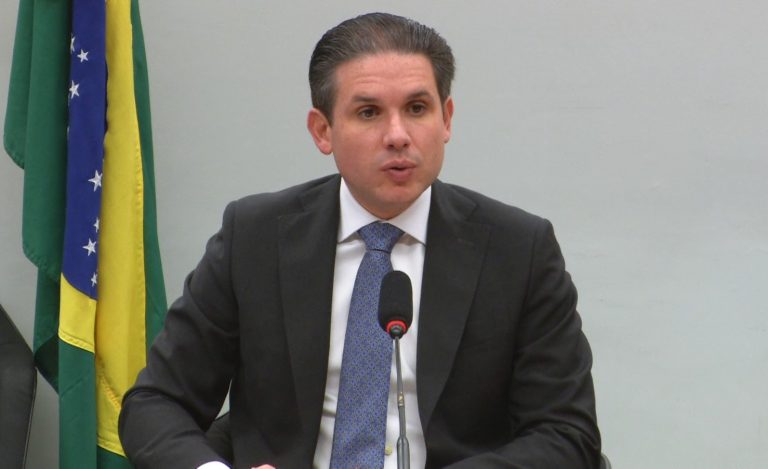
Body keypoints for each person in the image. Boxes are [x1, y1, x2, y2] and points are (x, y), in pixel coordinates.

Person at [119, 12, 601, 469]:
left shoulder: (518, 250)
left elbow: (566, 433)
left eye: (417, 108)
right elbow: (156, 402)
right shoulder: (255, 238)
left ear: (447, 119)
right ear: (322, 130)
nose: (398, 135)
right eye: (369, 112)